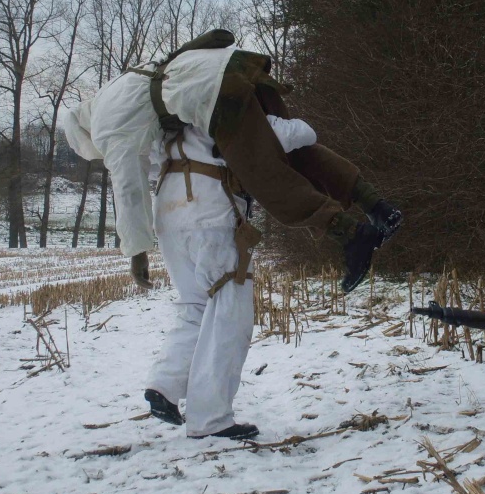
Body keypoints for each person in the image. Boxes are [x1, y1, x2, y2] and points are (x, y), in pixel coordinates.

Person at [63, 31, 401, 440]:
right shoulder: (212, 112)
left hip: (169, 219)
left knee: (193, 305)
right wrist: (295, 129)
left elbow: (135, 181)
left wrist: (137, 249)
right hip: (210, 216)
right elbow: (289, 138)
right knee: (229, 314)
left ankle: (164, 386)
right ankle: (211, 420)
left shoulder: (161, 132)